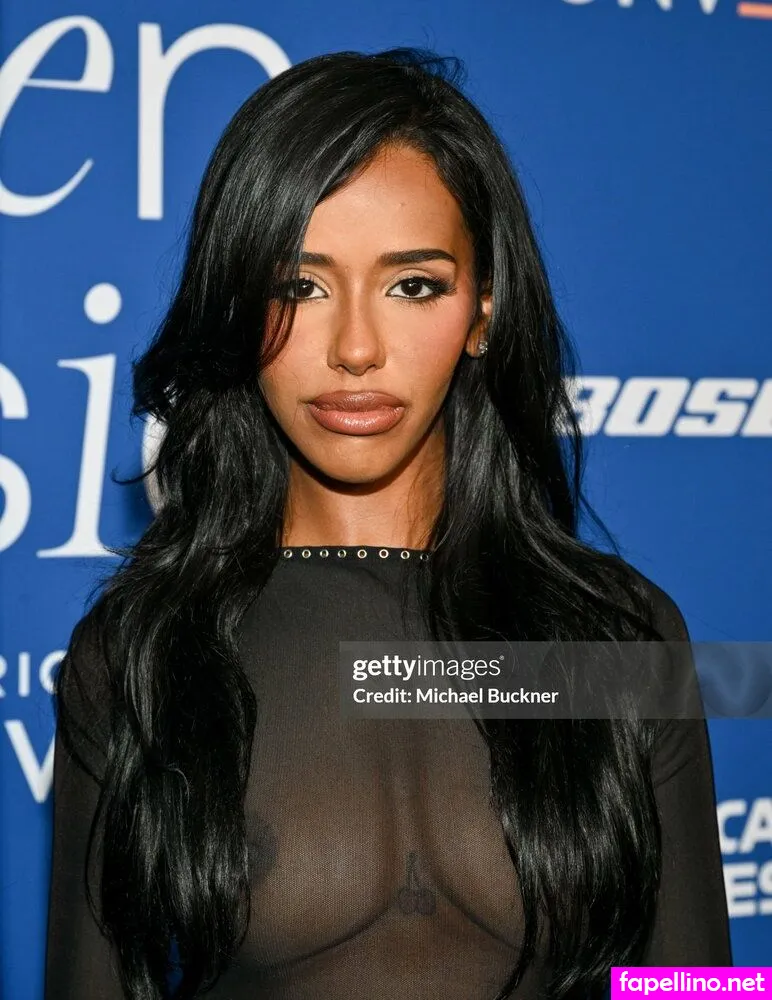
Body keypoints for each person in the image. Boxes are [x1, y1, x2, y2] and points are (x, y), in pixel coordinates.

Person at [44, 47, 732, 1000]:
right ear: (237, 310)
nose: (356, 348)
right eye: (299, 287)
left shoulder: (619, 638)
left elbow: (697, 985)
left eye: (413, 285)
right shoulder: (141, 656)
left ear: (483, 309)